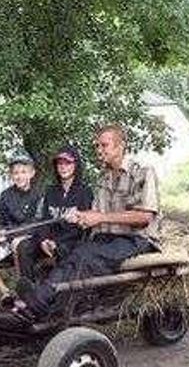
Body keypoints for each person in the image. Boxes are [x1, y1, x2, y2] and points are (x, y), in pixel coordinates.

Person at [17, 124, 161, 318]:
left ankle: (40, 300)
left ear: (121, 146)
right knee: (73, 252)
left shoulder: (143, 171)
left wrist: (99, 218)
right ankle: (47, 302)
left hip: (138, 239)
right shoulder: (103, 177)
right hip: (108, 237)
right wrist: (82, 217)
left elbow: (145, 217)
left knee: (87, 256)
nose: (99, 151)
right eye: (97, 146)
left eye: (104, 145)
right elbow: (97, 214)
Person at [0, 148, 43, 306]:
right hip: (7, 241)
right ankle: (5, 291)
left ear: (32, 173)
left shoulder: (39, 194)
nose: (19, 176)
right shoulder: (6, 195)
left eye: (23, 172)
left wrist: (10, 234)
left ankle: (23, 294)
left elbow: (37, 223)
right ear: (11, 175)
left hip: (28, 241)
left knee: (18, 242)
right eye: (16, 173)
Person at [15, 145, 94, 282]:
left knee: (65, 251)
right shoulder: (50, 191)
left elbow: (85, 228)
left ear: (76, 165)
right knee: (24, 247)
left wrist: (57, 244)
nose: (63, 167)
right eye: (60, 163)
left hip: (71, 242)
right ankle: (30, 288)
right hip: (49, 240)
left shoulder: (85, 192)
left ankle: (55, 290)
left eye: (67, 163)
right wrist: (44, 240)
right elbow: (43, 221)